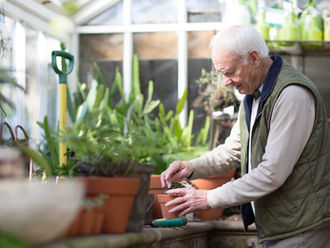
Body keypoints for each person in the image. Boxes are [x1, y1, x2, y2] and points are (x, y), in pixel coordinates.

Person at [160, 25, 330, 248]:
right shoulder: (255, 94)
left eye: (229, 72)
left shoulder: (291, 94)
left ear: (253, 58)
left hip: (303, 227)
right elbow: (234, 150)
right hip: (284, 223)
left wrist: (207, 198)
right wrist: (191, 167)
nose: (225, 82)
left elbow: (272, 173)